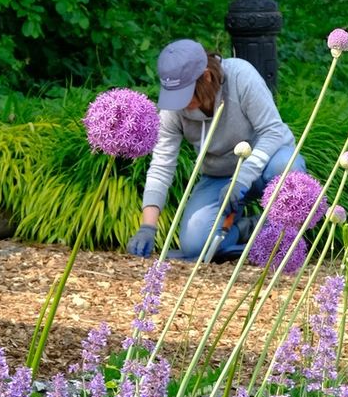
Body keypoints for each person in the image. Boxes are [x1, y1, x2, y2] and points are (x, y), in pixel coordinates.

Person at [126, 40, 303, 261]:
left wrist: (242, 178)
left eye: (185, 94)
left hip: (267, 162)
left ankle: (282, 236)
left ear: (207, 77)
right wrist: (147, 227)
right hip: (220, 176)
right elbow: (161, 166)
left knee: (287, 167)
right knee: (195, 247)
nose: (179, 103)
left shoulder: (241, 76)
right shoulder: (174, 108)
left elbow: (273, 131)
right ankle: (249, 229)